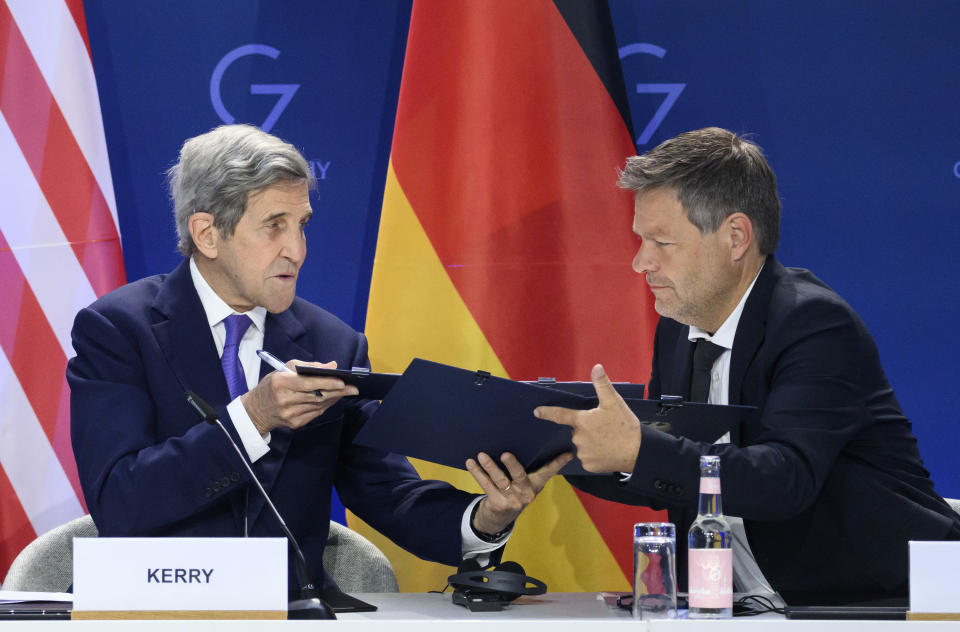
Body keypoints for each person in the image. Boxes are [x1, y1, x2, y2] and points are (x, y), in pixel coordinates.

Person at [67, 124, 570, 595]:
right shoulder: (119, 330)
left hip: (289, 613)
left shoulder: (333, 345)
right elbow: (120, 502)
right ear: (207, 234)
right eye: (274, 226)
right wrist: (253, 417)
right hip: (151, 608)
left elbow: (388, 492)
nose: (297, 250)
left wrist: (486, 517)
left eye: (302, 225)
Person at [535, 127, 960, 606]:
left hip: (890, 603)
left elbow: (784, 479)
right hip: (750, 606)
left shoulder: (814, 324)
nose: (640, 263)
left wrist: (638, 450)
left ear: (736, 237)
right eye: (641, 240)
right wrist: (552, 456)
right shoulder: (679, 327)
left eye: (661, 243)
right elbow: (674, 478)